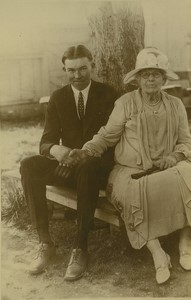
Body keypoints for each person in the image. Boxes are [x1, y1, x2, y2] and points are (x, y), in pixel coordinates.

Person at [68, 47, 191, 284]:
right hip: (130, 170)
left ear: (164, 78)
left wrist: (174, 157)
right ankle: (158, 254)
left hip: (168, 167)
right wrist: (86, 151)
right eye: (146, 74)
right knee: (134, 192)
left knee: (188, 177)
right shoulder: (125, 103)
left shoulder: (175, 105)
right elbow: (107, 135)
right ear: (137, 79)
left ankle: (185, 242)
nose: (151, 79)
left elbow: (186, 141)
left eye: (156, 74)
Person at [20, 44, 118, 281]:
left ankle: (80, 248)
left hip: (97, 166)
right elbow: (46, 142)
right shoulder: (58, 97)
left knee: (89, 166)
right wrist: (58, 151)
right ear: (65, 69)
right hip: (67, 165)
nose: (77, 75)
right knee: (29, 165)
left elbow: (115, 140)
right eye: (71, 70)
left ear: (92, 65)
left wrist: (84, 156)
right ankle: (45, 243)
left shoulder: (109, 95)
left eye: (82, 69)